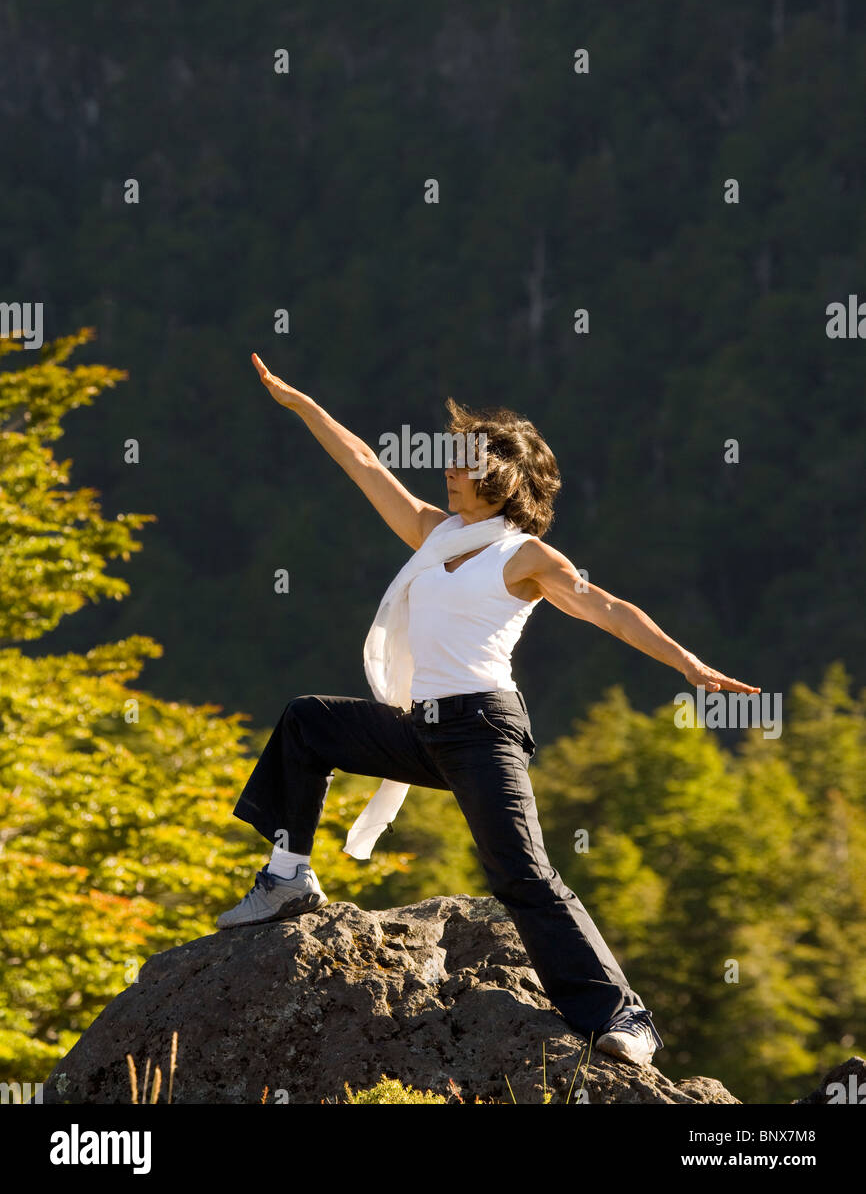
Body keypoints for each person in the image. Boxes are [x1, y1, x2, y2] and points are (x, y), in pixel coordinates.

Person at [218, 352, 760, 1067]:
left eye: (466, 462)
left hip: (482, 730)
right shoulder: (434, 532)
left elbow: (611, 611)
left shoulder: (525, 556)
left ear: (502, 477)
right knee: (307, 721)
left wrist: (688, 665)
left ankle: (621, 1016)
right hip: (424, 728)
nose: (450, 470)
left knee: (522, 876)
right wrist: (305, 406)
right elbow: (362, 465)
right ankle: (288, 875)